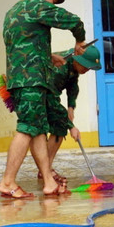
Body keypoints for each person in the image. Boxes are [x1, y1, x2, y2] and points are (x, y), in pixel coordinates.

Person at [0, 0, 87, 199]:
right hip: (32, 81)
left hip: (20, 79)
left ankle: (48, 181)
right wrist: (80, 41)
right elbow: (74, 21)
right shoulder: (37, 6)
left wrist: (48, 57)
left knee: (37, 130)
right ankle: (7, 181)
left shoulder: (13, 11)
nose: (52, 6)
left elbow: (21, 46)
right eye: (53, 1)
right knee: (27, 128)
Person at [38, 44, 102, 183]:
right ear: (78, 60)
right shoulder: (60, 68)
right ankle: (45, 170)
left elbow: (73, 86)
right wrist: (71, 125)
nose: (86, 70)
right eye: (85, 66)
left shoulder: (74, 66)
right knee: (39, 130)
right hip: (36, 95)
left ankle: (46, 169)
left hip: (48, 96)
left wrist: (71, 107)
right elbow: (52, 100)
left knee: (59, 128)